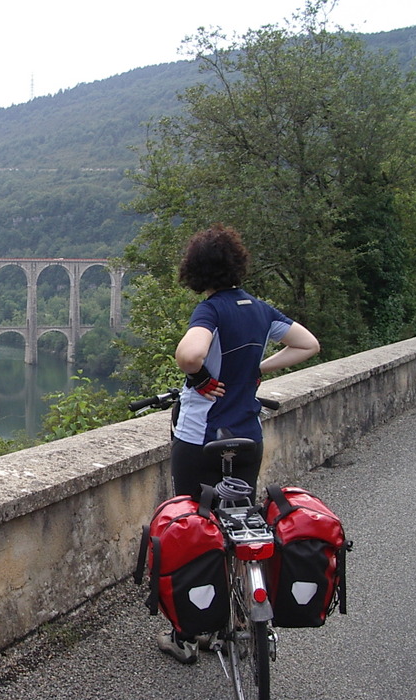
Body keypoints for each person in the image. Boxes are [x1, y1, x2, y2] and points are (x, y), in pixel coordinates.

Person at [157, 223, 320, 664]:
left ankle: (187, 635)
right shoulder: (259, 308)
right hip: (248, 435)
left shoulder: (210, 310)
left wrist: (202, 378)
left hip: (200, 437)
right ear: (237, 264)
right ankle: (244, 614)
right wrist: (259, 368)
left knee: (192, 527)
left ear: (196, 270)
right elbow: (308, 344)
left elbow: (189, 354)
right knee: (242, 522)